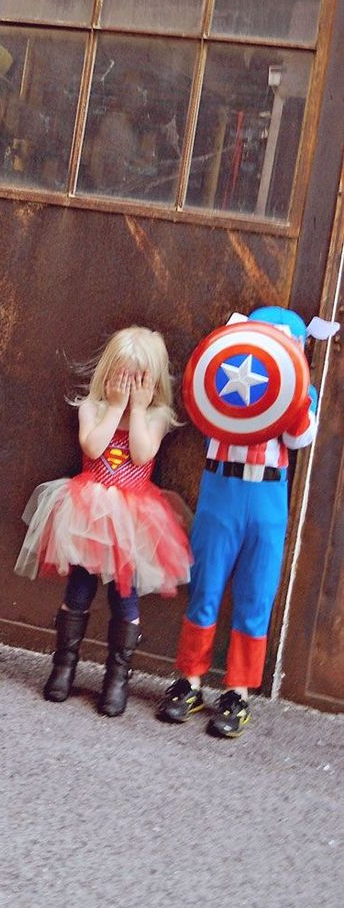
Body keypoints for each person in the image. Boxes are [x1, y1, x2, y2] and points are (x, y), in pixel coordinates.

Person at [157, 305, 337, 739]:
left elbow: (300, 437)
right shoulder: (222, 375)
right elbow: (204, 409)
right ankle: (190, 680)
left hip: (267, 497)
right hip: (221, 492)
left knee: (256, 596)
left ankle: (238, 691)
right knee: (205, 585)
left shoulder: (301, 390)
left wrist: (293, 395)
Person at [15, 326, 191, 716]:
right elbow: (93, 447)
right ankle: (64, 666)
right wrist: (113, 408)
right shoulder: (91, 407)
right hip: (86, 513)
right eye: (122, 377)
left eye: (138, 379)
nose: (128, 388)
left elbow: (143, 456)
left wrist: (140, 411)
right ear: (108, 374)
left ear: (153, 381)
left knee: (123, 594)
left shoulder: (157, 416)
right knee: (79, 586)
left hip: (133, 520)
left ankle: (117, 677)